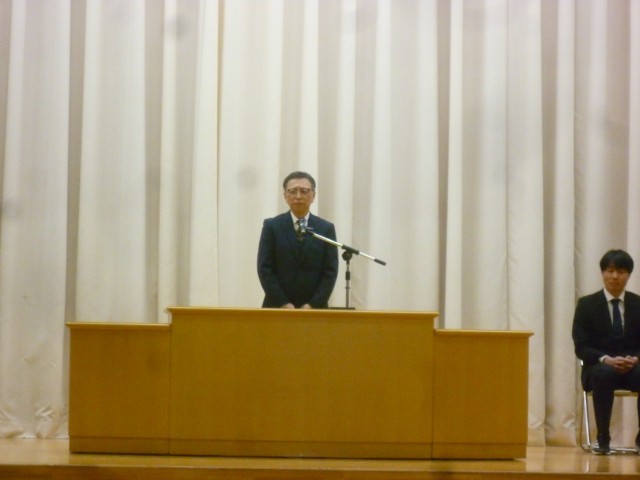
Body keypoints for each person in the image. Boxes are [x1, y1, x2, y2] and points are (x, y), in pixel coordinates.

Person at [572, 249, 640, 455]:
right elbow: (581, 346)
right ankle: (603, 436)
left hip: (632, 367)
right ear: (602, 273)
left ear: (629, 275)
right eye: (610, 271)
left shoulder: (638, 304)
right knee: (604, 374)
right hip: (598, 367)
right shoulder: (586, 305)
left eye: (621, 271)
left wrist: (636, 359)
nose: (615, 276)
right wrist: (606, 359)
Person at [257, 171, 339, 309]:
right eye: (293, 191)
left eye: (304, 191)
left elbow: (330, 272)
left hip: (315, 309)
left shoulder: (325, 228)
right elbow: (265, 269)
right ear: (285, 196)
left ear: (313, 196)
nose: (298, 196)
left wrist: (312, 304)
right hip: (277, 307)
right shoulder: (272, 226)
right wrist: (283, 303)